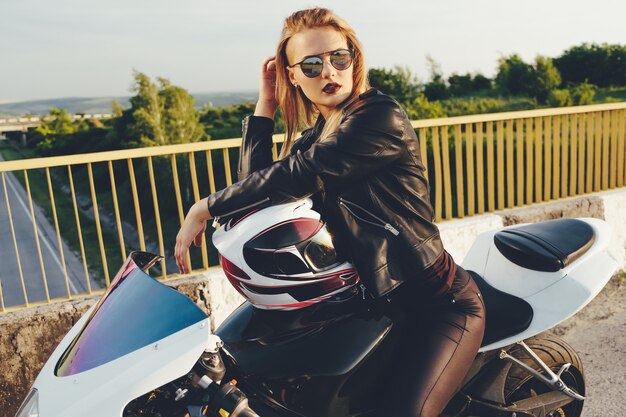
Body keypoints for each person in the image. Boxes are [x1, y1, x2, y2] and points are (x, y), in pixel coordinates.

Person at [175, 7, 485, 417]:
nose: (329, 72)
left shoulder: (379, 117)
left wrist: (206, 206)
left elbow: (300, 173)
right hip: (371, 302)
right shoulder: (320, 132)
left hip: (437, 302)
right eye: (312, 64)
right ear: (293, 75)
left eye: (339, 58)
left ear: (354, 59)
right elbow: (260, 192)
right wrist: (266, 104)